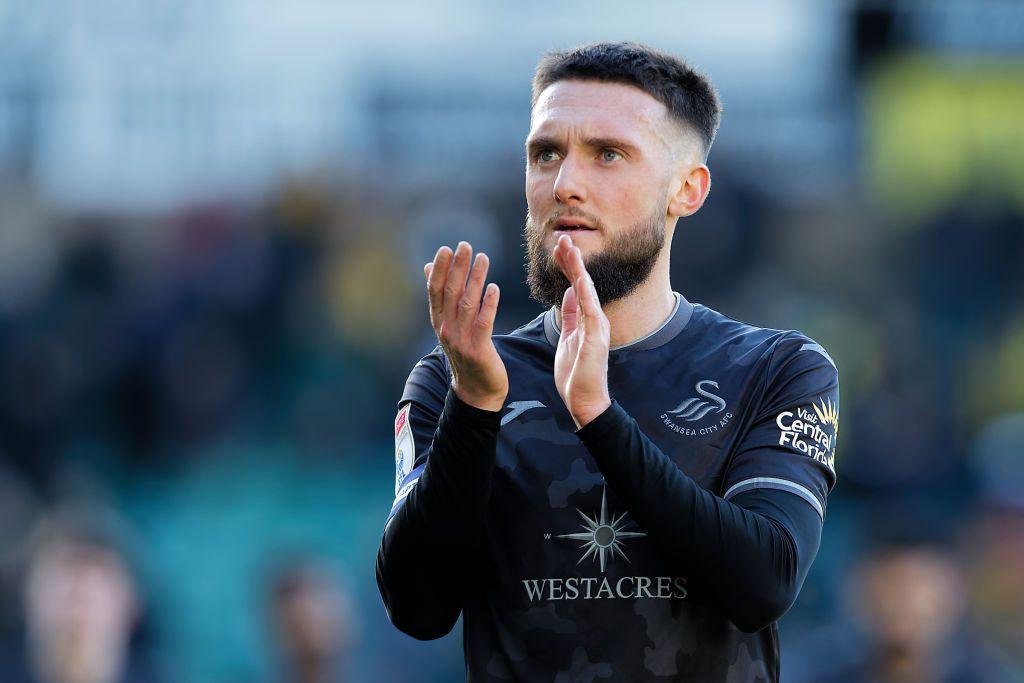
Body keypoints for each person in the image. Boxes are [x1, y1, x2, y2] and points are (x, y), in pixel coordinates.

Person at [376, 41, 839, 681]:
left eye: (609, 154)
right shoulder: (460, 375)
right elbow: (419, 607)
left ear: (687, 189)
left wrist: (598, 416)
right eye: (546, 155)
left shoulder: (775, 369)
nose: (565, 184)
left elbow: (762, 584)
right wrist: (475, 407)